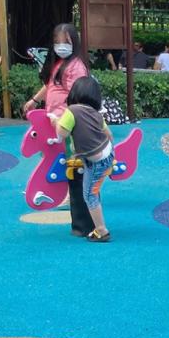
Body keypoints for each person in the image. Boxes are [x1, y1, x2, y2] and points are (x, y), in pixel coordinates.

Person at [49, 76, 115, 242]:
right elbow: (110, 136)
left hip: (96, 160)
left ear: (74, 93)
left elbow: (62, 133)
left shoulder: (71, 111)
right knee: (93, 189)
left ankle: (101, 230)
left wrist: (56, 122)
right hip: (106, 154)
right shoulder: (96, 114)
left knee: (89, 195)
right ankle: (97, 225)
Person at [23, 23, 89, 118]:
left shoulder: (77, 67)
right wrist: (35, 100)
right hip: (54, 117)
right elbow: (51, 84)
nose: (61, 46)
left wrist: (63, 117)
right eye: (57, 42)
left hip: (65, 120)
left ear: (74, 43)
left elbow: (76, 96)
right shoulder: (59, 63)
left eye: (66, 42)